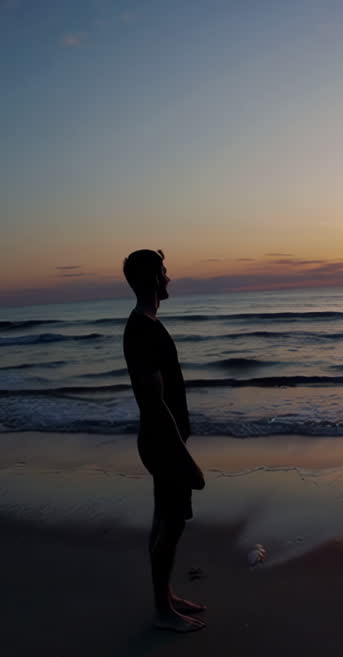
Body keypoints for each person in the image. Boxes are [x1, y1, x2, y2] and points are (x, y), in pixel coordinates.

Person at [122, 249, 207, 633]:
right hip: (162, 442)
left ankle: (166, 597)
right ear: (153, 279)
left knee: (163, 519)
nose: (169, 279)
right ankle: (162, 613)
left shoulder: (146, 324)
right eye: (164, 272)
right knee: (171, 524)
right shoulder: (143, 329)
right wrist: (182, 456)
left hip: (162, 441)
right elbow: (154, 400)